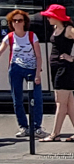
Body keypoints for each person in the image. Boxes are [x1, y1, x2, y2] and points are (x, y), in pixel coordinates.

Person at [39, 4, 74, 142]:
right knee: (69, 103)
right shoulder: (56, 28)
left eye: (50, 16)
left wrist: (73, 58)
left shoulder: (69, 30)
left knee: (60, 103)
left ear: (57, 17)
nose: (48, 18)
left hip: (65, 69)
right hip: (56, 67)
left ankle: (55, 133)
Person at [0, 10, 48, 140]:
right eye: (14, 21)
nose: (17, 23)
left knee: (36, 98)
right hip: (15, 69)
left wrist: (38, 73)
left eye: (20, 20)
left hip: (31, 69)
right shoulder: (9, 37)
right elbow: (1, 50)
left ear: (25, 22)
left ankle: (37, 127)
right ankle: (23, 127)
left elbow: (38, 56)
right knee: (17, 98)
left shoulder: (32, 36)